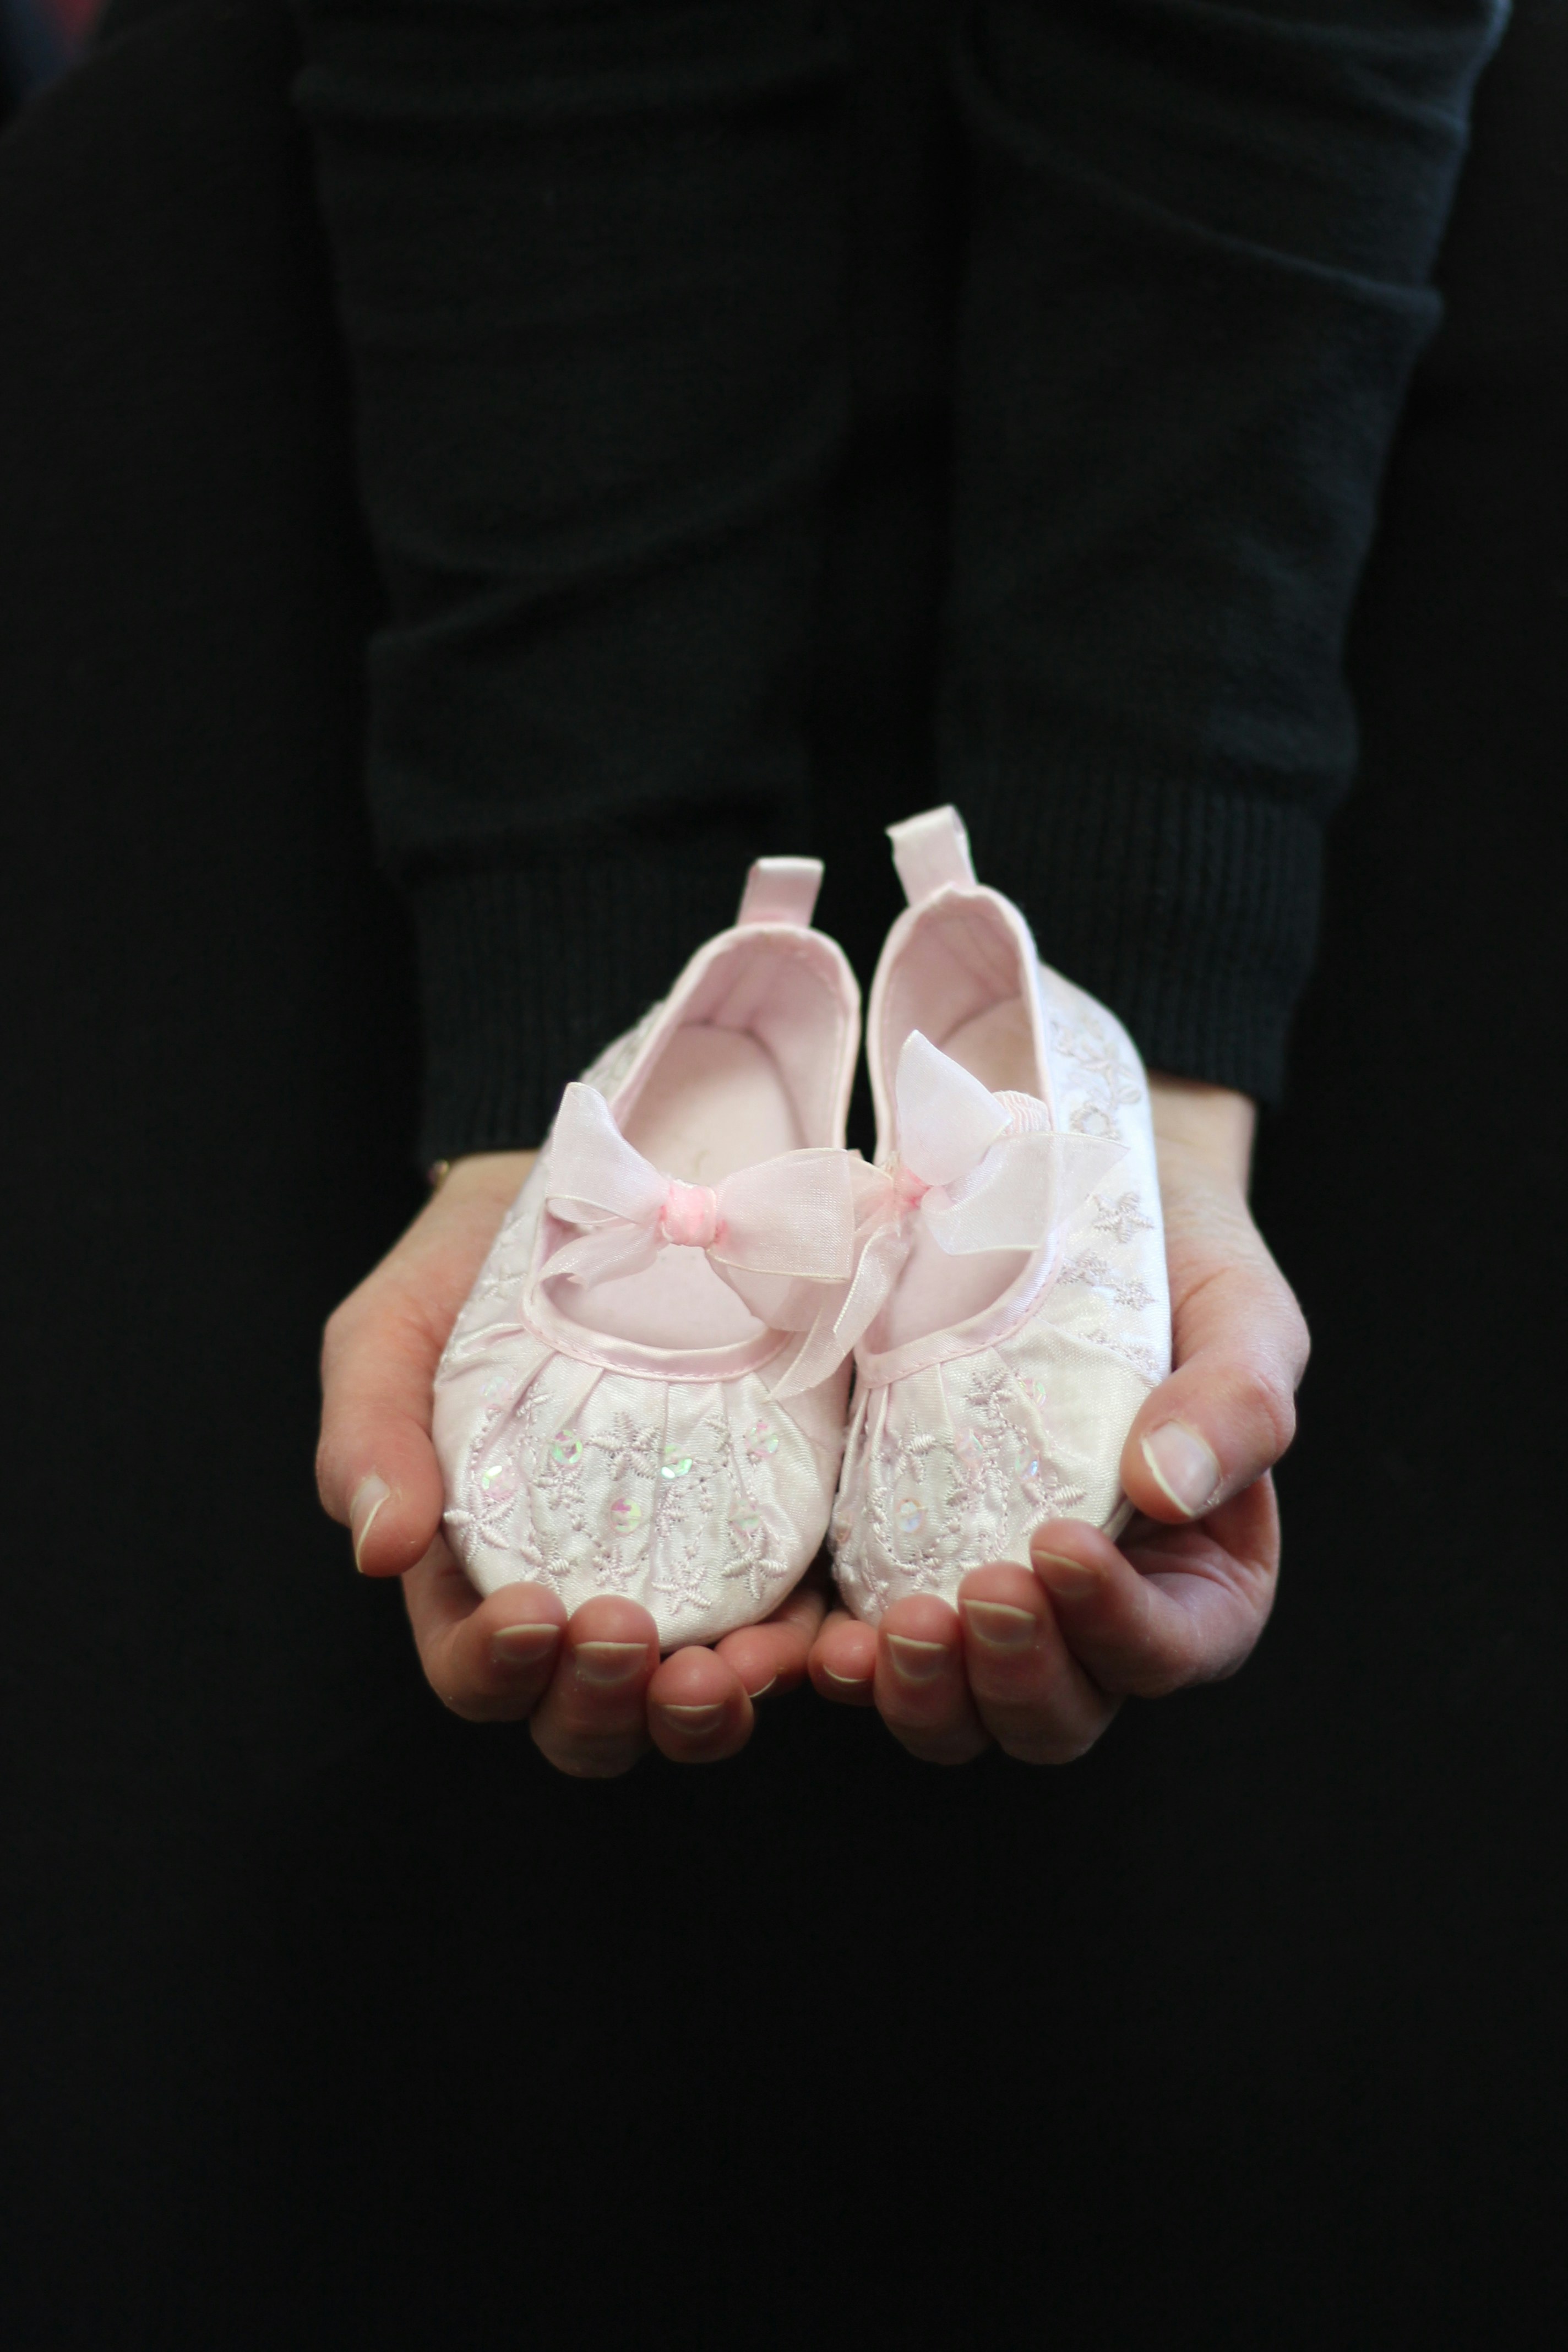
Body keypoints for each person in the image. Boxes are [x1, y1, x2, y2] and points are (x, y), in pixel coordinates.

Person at [298, 0, 1506, 1774]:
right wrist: (546, 1027)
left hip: (1269, 328)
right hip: (484, 329)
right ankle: (691, 1047)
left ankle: (1043, 1040)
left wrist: (1151, 1006)